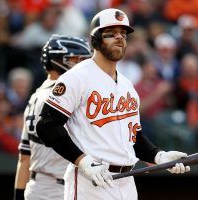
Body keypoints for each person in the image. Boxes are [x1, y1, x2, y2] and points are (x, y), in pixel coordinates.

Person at [36, 8, 190, 200]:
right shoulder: (76, 78)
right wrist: (81, 161)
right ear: (95, 40)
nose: (119, 38)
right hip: (91, 180)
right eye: (111, 34)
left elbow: (133, 136)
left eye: (123, 34)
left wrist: (158, 156)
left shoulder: (127, 85)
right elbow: (46, 126)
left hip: (127, 180)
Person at [13, 34, 92, 200]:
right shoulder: (60, 96)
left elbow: (24, 158)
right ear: (57, 60)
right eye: (76, 59)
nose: (83, 65)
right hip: (56, 188)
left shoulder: (36, 96)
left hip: (41, 187)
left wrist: (19, 195)